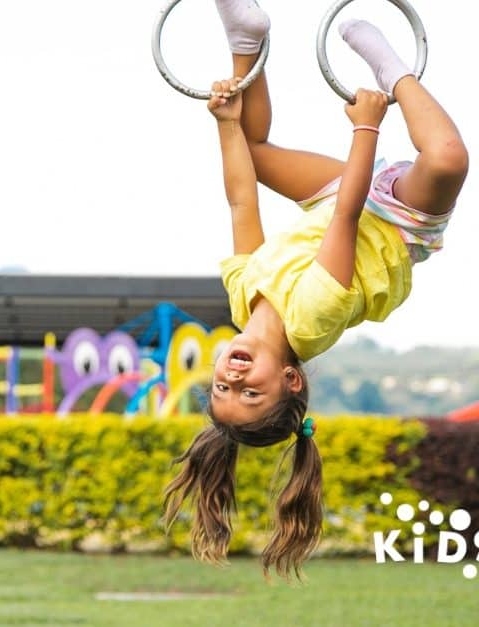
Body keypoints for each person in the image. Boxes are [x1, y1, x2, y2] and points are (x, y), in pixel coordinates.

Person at [164, 0, 468, 578]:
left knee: (251, 152)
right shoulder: (311, 319)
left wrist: (226, 123)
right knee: (450, 159)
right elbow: (349, 219)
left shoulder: (241, 299)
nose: (231, 379)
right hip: (396, 221)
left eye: (221, 390)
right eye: (249, 393)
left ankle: (246, 39)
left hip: (333, 198)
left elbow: (240, 198)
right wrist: (367, 125)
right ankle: (393, 68)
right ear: (289, 380)